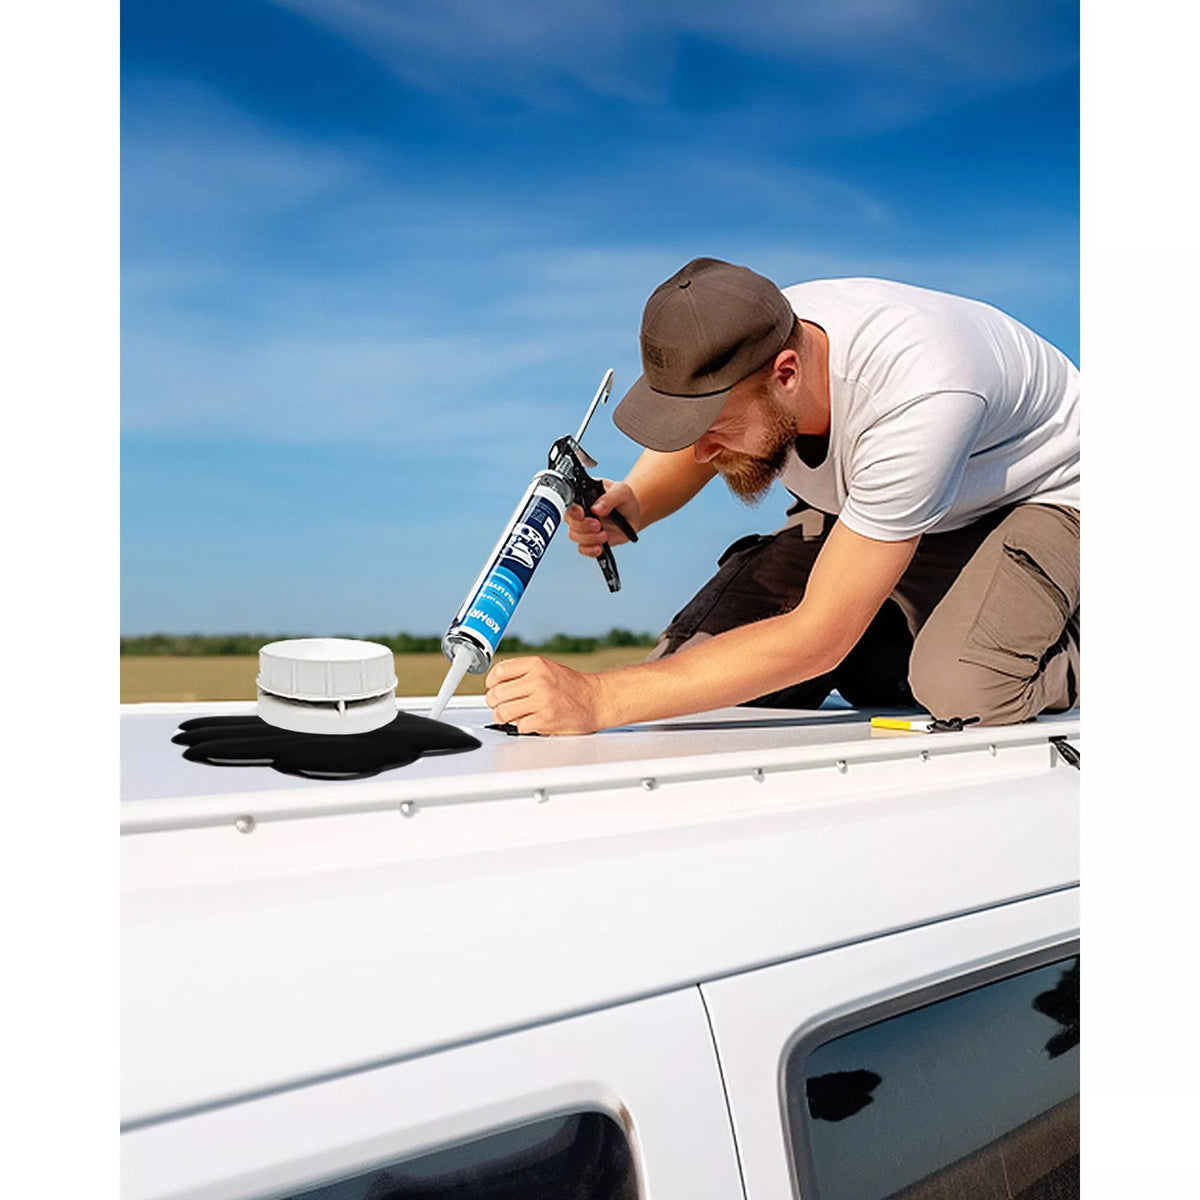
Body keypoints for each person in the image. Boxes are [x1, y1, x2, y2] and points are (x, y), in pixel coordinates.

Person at [484, 257, 1079, 736]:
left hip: (1039, 502)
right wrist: (637, 501)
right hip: (896, 505)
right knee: (693, 673)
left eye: (714, 427)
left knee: (961, 685)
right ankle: (896, 637)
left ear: (787, 374)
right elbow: (702, 430)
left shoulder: (920, 393)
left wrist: (597, 698)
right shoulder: (744, 338)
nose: (700, 453)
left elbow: (819, 635)